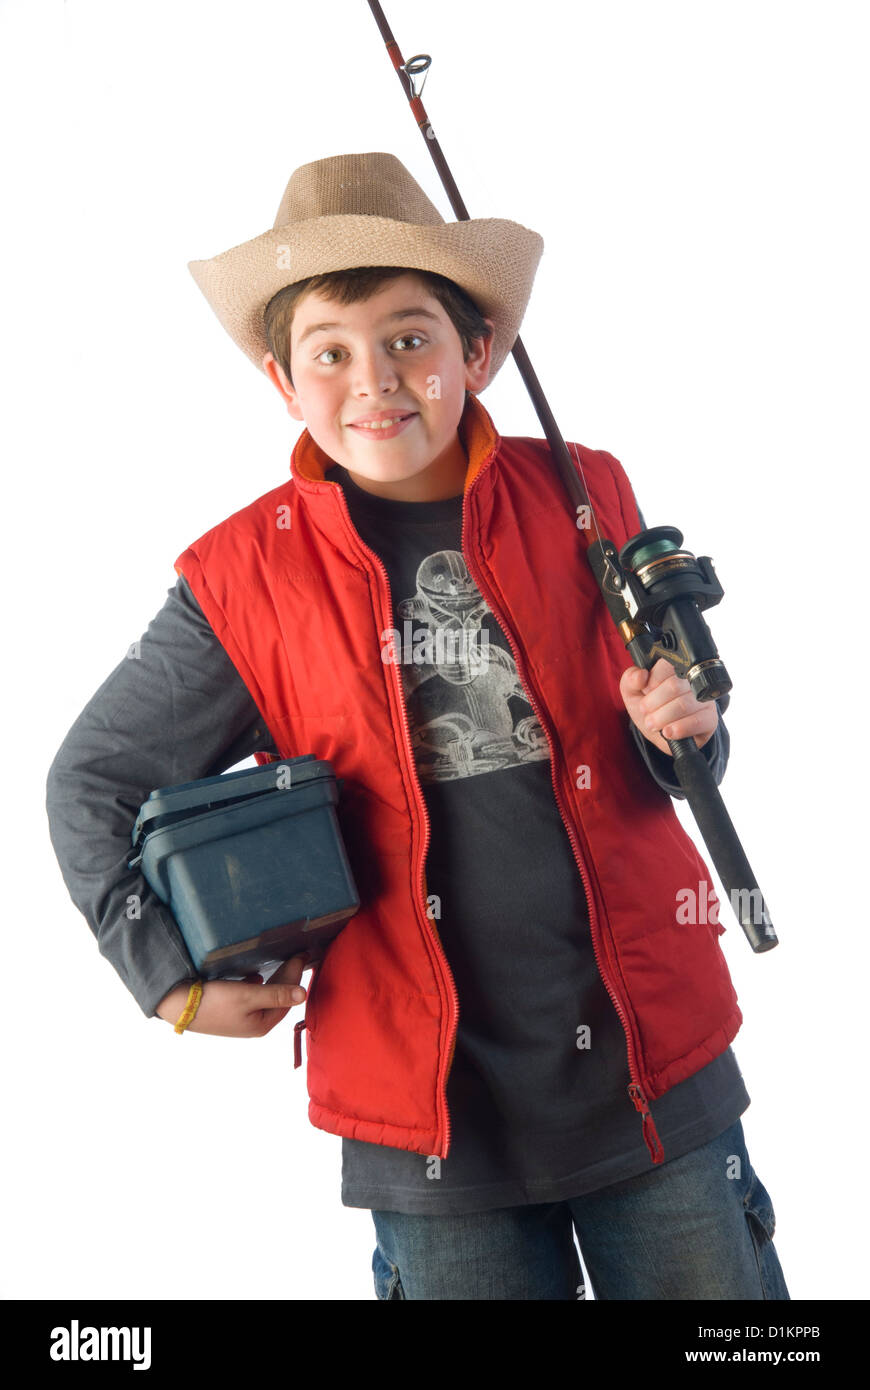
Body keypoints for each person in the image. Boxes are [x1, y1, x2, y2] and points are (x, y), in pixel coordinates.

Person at [45, 150, 789, 1300]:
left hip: (657, 1068)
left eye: (410, 338)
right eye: (329, 353)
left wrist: (677, 728)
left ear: (475, 352)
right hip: (422, 1114)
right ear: (281, 380)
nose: (374, 380)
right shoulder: (239, 577)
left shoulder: (587, 490)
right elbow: (91, 778)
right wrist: (167, 975)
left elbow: (690, 743)